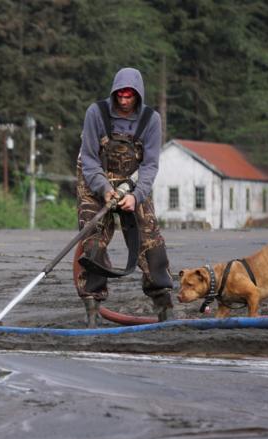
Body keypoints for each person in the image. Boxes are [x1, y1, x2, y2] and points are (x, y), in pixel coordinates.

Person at [74, 67, 173, 327]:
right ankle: (93, 310)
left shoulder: (151, 120)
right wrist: (104, 188)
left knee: (151, 242)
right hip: (96, 179)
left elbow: (150, 166)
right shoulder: (96, 113)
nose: (125, 100)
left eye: (130, 96)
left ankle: (164, 307)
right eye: (121, 95)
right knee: (92, 240)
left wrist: (136, 196)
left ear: (138, 95)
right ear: (114, 93)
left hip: (133, 182)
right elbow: (89, 160)